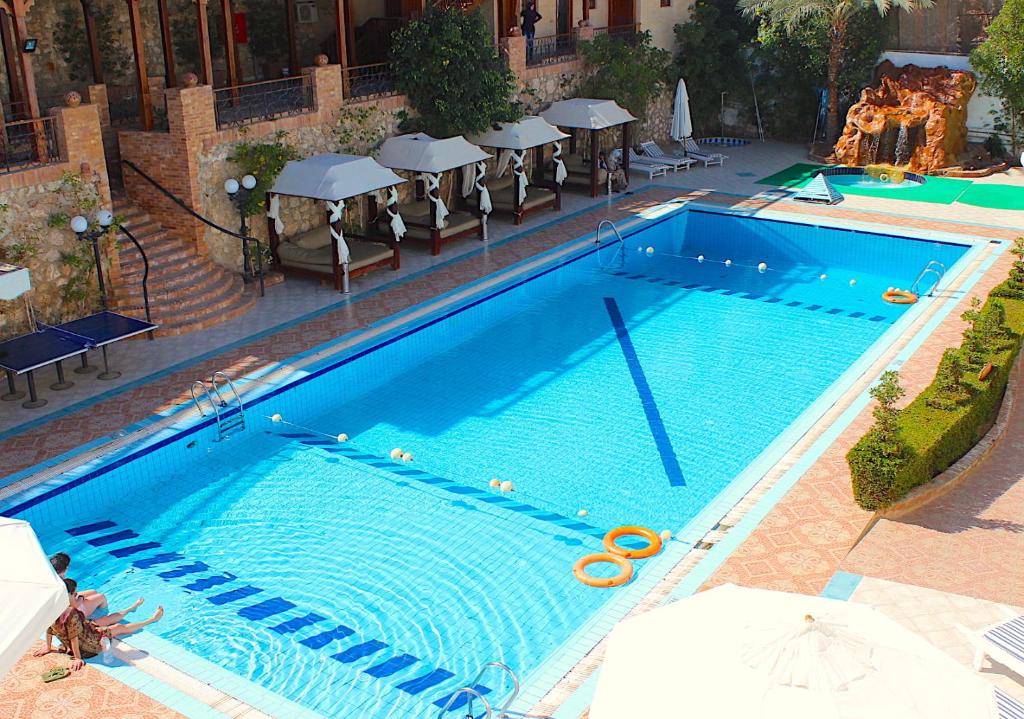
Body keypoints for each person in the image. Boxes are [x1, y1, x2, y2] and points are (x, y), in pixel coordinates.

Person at [34, 579, 163, 671]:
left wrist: (48, 646)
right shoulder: (71, 613)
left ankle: (131, 608)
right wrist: (77, 658)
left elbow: (49, 628)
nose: (77, 595)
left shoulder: (52, 607)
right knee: (118, 628)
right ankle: (152, 619)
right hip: (89, 643)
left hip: (85, 628)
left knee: (107, 619)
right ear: (68, 595)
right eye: (74, 594)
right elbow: (74, 638)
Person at [50, 552, 107, 618]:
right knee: (101, 597)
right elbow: (74, 605)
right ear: (66, 568)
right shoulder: (61, 586)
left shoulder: (52, 576)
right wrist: (81, 598)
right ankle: (100, 618)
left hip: (64, 603)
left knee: (93, 591)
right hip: (67, 611)